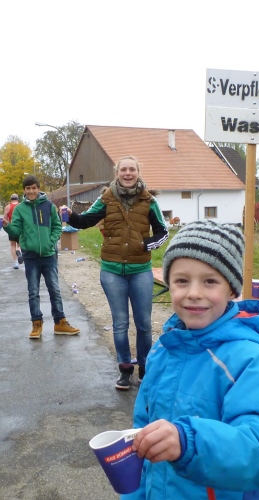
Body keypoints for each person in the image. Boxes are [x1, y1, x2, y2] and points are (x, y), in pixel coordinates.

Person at [123, 220, 259, 500]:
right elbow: (141, 437)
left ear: (232, 290)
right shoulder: (163, 351)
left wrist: (189, 443)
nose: (194, 293)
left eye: (210, 281)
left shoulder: (250, 362)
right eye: (182, 281)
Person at [62, 156, 168, 390]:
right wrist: (70, 215)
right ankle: (125, 370)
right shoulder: (106, 198)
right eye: (123, 170)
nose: (128, 173)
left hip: (140, 270)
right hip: (112, 271)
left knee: (144, 324)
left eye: (132, 169)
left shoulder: (149, 201)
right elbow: (85, 221)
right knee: (120, 323)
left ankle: (145, 369)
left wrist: (145, 245)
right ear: (117, 172)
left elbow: (163, 232)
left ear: (138, 172)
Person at [3, 175, 80, 339]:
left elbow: (57, 226)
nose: (31, 191)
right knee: (33, 292)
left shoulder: (49, 206)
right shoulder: (20, 209)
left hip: (49, 256)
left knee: (55, 290)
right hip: (30, 257)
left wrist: (51, 242)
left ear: (38, 188)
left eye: (34, 188)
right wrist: (7, 226)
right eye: (28, 188)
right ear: (24, 190)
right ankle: (36, 323)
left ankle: (60, 322)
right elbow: (16, 231)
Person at [3, 194, 23, 269]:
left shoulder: (7, 207)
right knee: (20, 244)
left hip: (11, 227)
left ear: (11, 199)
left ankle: (16, 262)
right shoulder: (21, 206)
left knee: (12, 245)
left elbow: (5, 219)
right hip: (20, 227)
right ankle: (19, 252)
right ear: (18, 199)